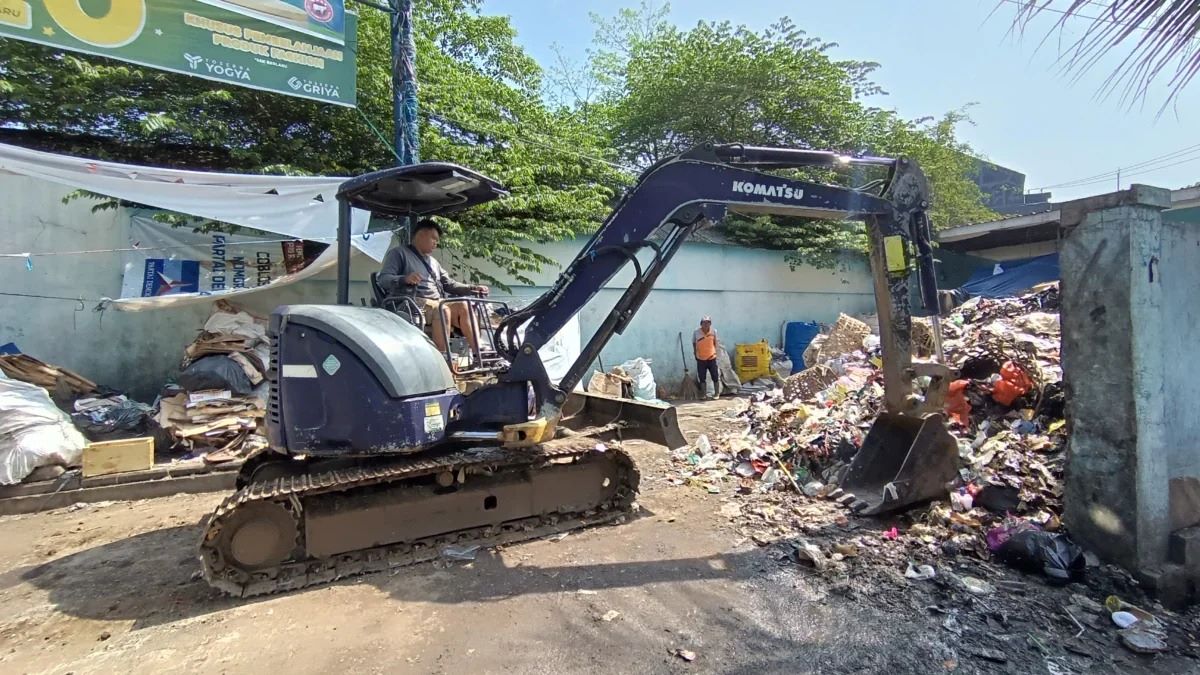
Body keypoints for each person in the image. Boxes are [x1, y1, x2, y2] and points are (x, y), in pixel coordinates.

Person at [378, 219, 488, 354]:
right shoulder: (399, 253)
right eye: (434, 239)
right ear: (421, 235)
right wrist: (404, 279)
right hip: (411, 302)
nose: (436, 243)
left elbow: (449, 284)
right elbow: (383, 279)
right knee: (443, 310)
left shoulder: (433, 262)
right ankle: (442, 358)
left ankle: (479, 352)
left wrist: (472, 288)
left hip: (436, 302)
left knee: (464, 306)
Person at [693, 316, 720, 399]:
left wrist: (715, 353)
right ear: (701, 324)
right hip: (701, 358)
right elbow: (694, 343)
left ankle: (716, 394)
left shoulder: (713, 332)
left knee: (715, 376)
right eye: (704, 322)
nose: (706, 324)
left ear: (710, 324)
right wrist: (695, 353)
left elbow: (715, 343)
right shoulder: (696, 332)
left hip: (711, 358)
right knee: (702, 377)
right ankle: (704, 395)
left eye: (708, 322)